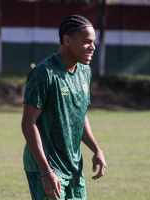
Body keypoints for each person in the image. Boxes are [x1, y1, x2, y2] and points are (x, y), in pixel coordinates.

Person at [21, 15, 107, 200]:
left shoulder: (84, 71)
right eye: (86, 42)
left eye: (93, 42)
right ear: (67, 40)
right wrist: (45, 171)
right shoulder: (44, 74)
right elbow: (29, 124)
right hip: (46, 166)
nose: (92, 47)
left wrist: (96, 149)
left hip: (74, 165)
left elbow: (79, 114)